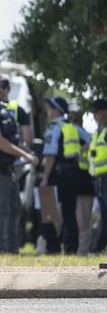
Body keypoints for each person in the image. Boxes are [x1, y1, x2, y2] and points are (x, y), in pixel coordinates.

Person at [0, 74, 38, 254]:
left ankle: (12, 247)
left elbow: (14, 138)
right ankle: (1, 247)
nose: (3, 89)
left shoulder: (4, 110)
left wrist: (24, 152)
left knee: (15, 206)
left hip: (9, 166)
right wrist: (25, 155)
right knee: (2, 207)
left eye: (6, 86)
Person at [40, 97, 91, 254]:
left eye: (50, 108)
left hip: (57, 174)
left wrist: (45, 178)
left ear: (56, 110)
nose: (49, 111)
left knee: (48, 210)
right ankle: (71, 247)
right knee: (70, 213)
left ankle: (52, 247)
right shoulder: (73, 127)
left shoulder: (54, 128)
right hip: (73, 174)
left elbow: (50, 156)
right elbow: (90, 139)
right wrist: (78, 153)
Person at [69, 109, 95, 255]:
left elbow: (91, 143)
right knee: (82, 220)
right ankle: (82, 250)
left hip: (84, 181)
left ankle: (83, 250)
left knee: (83, 220)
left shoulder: (78, 132)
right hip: (80, 181)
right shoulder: (77, 132)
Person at [90, 98, 107, 253]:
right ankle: (99, 247)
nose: (94, 115)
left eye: (96, 111)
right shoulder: (98, 133)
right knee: (103, 213)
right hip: (99, 179)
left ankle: (98, 248)